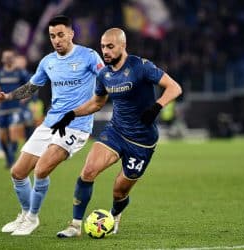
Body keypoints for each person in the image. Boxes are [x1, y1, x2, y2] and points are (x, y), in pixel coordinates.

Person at [54, 28, 182, 238]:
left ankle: (114, 216)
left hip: (142, 141)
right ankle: (75, 225)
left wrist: (157, 107)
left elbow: (174, 87)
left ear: (123, 46)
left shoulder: (141, 66)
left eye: (110, 47)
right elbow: (97, 103)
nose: (105, 51)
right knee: (88, 171)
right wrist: (71, 114)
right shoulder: (104, 74)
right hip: (116, 132)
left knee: (119, 191)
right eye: (103, 46)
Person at [0, 15, 104, 236]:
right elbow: (31, 87)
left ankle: (32, 219)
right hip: (50, 123)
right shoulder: (48, 61)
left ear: (71, 33)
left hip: (76, 125)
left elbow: (107, 79)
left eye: (60, 35)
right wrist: (8, 96)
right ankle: (24, 214)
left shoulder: (88, 56)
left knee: (41, 170)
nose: (56, 40)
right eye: (52, 36)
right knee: (18, 172)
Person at [0, 50, 31, 168]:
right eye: (6, 57)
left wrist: (25, 97)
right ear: (2, 60)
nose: (8, 59)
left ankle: (12, 157)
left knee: (13, 132)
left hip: (15, 108)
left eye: (10, 57)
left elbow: (30, 86)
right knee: (2, 137)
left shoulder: (20, 73)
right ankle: (8, 158)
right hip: (2, 109)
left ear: (14, 59)